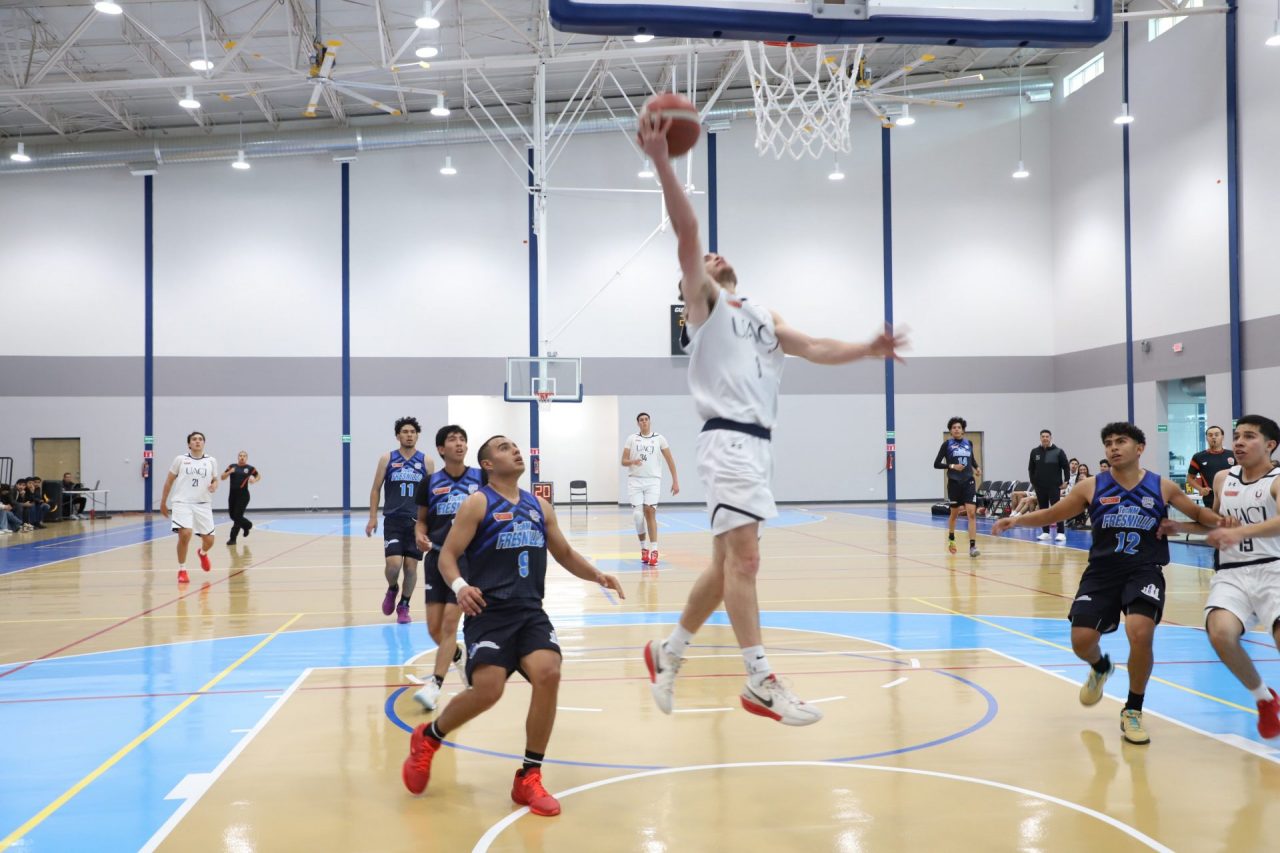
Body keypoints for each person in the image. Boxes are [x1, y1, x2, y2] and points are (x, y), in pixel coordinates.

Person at [637, 113, 908, 725]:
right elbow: (686, 231)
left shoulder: (761, 313)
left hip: (757, 448)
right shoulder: (705, 307)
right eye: (702, 259)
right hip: (728, 441)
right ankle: (759, 680)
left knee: (724, 566)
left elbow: (813, 346)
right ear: (692, 287)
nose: (712, 254)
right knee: (747, 562)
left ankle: (668, 650)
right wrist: (661, 162)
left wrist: (867, 349)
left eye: (717, 255)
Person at [401, 435, 625, 816]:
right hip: (489, 612)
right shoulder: (478, 503)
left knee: (549, 671)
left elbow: (564, 553)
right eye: (504, 448)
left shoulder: (540, 506)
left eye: (515, 446)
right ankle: (429, 737)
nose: (515, 450)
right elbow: (447, 556)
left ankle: (529, 776)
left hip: (529, 611)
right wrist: (460, 586)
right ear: (488, 464)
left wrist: (597, 575)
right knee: (489, 690)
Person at [994, 422, 1219, 745]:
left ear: (1139, 448)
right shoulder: (1091, 486)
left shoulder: (1162, 486)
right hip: (1102, 572)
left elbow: (1198, 514)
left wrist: (1224, 520)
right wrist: (1016, 520)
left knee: (1140, 632)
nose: (1113, 447)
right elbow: (1053, 513)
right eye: (1109, 443)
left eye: (1121, 441)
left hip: (1144, 569)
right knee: (1081, 641)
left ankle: (1133, 709)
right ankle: (1100, 667)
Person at [1162, 415, 1280, 739]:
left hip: (1273, 569)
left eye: (1249, 436)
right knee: (1220, 634)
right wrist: (1179, 527)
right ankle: (1264, 698)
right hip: (1231, 572)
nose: (1239, 442)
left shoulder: (1276, 480)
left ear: (1270, 445)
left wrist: (1239, 532)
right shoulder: (1222, 479)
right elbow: (1216, 523)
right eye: (1237, 435)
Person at [411, 424, 484, 711]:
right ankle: (457, 656)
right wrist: (419, 535)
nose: (459, 443)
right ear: (441, 449)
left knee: (450, 624)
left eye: (462, 439)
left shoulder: (481, 478)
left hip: (466, 560)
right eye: (453, 440)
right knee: (434, 629)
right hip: (436, 559)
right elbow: (421, 521)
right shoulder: (430, 483)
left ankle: (435, 686)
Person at [367, 417, 434, 624]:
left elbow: (432, 494)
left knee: (411, 567)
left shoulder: (426, 461)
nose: (409, 435)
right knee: (394, 565)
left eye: (412, 432)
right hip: (394, 520)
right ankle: (392, 588)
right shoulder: (387, 459)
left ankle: (404, 605)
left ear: (417, 435)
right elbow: (376, 489)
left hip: (417, 522)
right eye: (405, 432)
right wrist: (372, 517)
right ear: (398, 436)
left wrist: (432, 524)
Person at [621, 412, 681, 566]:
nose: (644, 422)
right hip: (635, 480)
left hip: (653, 481)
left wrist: (675, 481)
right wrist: (632, 461)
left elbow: (670, 460)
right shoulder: (632, 438)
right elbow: (623, 461)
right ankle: (644, 548)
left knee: (650, 512)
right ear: (638, 423)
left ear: (650, 421)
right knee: (637, 516)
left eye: (646, 419)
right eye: (641, 420)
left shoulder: (659, 438)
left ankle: (654, 550)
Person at [160, 431, 219, 584]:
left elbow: (215, 479)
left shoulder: (211, 461)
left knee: (210, 540)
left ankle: (203, 553)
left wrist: (214, 485)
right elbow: (169, 481)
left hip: (203, 503)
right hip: (182, 502)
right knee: (185, 534)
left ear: (204, 443)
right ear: (189, 444)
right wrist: (163, 502)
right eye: (194, 439)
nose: (197, 441)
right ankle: (182, 569)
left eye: (200, 439)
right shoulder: (180, 460)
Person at [934, 417, 982, 557]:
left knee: (971, 513)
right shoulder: (947, 445)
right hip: (954, 483)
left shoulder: (969, 443)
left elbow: (971, 459)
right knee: (954, 514)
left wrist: (977, 467)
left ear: (963, 430)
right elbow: (936, 464)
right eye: (954, 427)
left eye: (959, 427)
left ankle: (972, 546)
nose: (956, 429)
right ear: (950, 431)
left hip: (969, 482)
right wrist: (952, 466)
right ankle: (951, 539)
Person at [1028, 429, 1071, 542]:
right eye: (1043, 436)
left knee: (1057, 509)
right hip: (1040, 486)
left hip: (1054, 486)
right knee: (1043, 509)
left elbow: (1066, 467)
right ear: (1040, 438)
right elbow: (1031, 468)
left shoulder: (1058, 451)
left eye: (1047, 436)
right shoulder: (1034, 452)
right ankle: (1045, 532)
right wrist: (1033, 481)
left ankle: (1061, 532)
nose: (1045, 438)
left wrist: (1066, 481)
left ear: (1051, 438)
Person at [1188, 425, 1235, 510]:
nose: (1213, 437)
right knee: (1213, 518)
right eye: (1210, 435)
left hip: (1231, 496)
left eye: (1216, 434)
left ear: (1222, 437)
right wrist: (1200, 489)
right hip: (1210, 498)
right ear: (1206, 438)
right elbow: (1190, 478)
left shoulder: (1233, 455)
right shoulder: (1198, 457)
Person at [220, 452, 261, 544]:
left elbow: (258, 476)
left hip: (243, 495)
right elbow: (222, 477)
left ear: (246, 458)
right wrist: (229, 472)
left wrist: (254, 480)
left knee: (237, 516)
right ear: (238, 457)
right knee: (232, 516)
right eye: (240, 456)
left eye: (244, 456)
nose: (242, 457)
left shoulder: (250, 468)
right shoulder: (232, 466)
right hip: (232, 495)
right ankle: (247, 526)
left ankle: (233, 538)